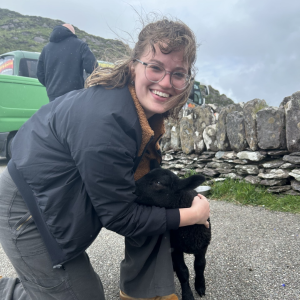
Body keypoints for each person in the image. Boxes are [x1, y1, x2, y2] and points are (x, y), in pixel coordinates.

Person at [0, 17, 210, 300]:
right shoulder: (107, 122)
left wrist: (181, 204)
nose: (165, 82)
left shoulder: (141, 112)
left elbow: (141, 190)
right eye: (156, 67)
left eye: (178, 73)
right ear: (135, 65)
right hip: (28, 208)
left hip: (58, 193)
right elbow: (121, 216)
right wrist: (193, 215)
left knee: (157, 211)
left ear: (186, 79)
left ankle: (143, 293)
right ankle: (13, 289)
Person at [37, 23, 97, 101]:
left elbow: (40, 73)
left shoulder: (46, 48)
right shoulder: (80, 45)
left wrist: (51, 86)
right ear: (71, 33)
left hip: (53, 97)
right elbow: (93, 68)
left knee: (56, 113)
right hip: (74, 96)